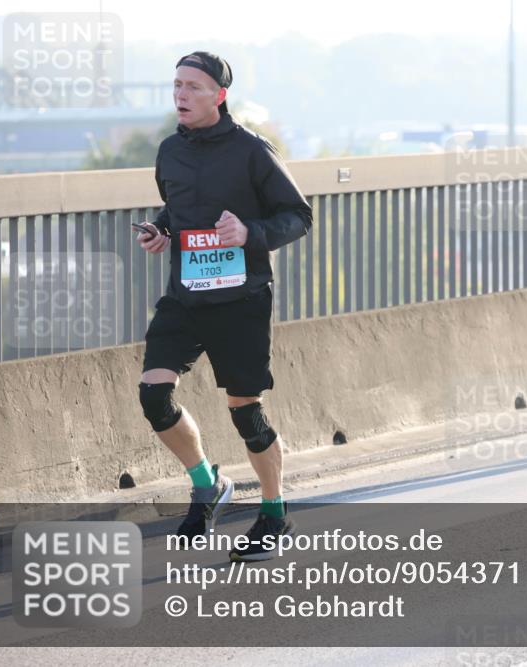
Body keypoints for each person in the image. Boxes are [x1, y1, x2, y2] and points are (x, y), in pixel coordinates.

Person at [135, 51, 311, 561]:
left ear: (219, 95)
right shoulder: (169, 151)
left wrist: (250, 232)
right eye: (176, 86)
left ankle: (275, 513)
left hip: (241, 300)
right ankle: (205, 483)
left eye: (192, 87)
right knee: (153, 395)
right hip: (185, 296)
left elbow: (298, 216)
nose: (181, 95)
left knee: (245, 411)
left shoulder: (253, 151)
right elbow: (179, 205)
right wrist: (160, 229)